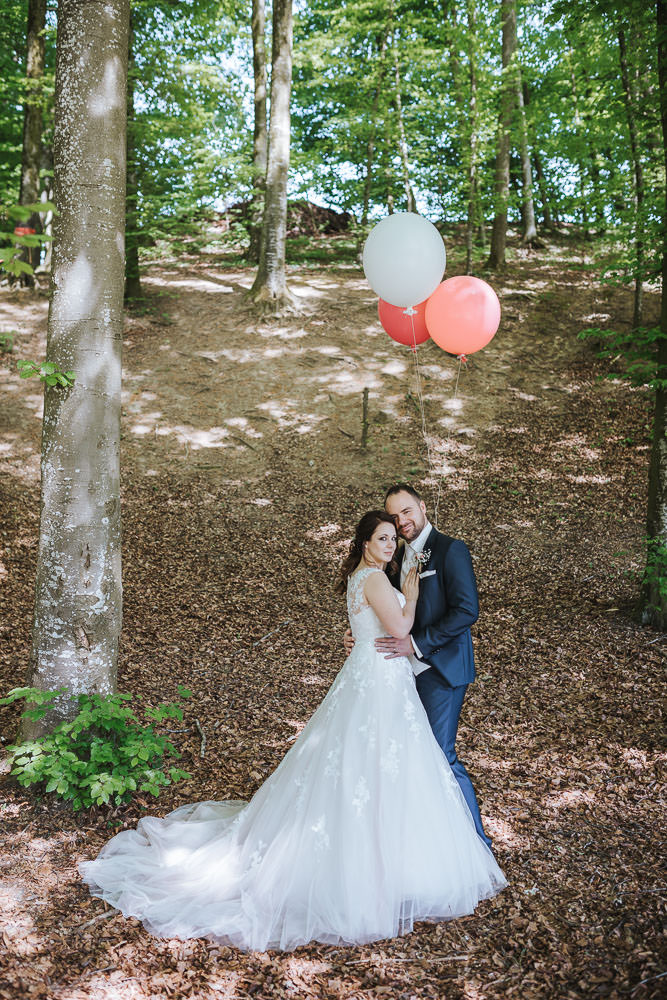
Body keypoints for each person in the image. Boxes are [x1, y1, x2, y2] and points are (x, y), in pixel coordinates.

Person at [79, 511, 506, 952]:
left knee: (362, 761)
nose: (390, 545)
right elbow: (399, 628)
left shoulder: (365, 578)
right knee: (376, 761)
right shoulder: (377, 579)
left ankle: (384, 858)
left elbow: (369, 628)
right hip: (379, 680)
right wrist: (412, 596)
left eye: (393, 539)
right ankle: (377, 866)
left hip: (373, 674)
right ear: (364, 543)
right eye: (382, 538)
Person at [344, 484, 492, 848]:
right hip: (398, 674)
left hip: (440, 670)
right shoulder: (394, 556)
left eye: (407, 511)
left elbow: (466, 610)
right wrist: (359, 635)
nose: (403, 521)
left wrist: (416, 643)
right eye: (395, 517)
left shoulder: (450, 550)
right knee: (406, 757)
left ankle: (475, 844)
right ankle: (415, 844)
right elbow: (384, 607)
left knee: (440, 755)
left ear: (423, 507)